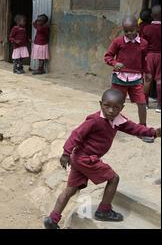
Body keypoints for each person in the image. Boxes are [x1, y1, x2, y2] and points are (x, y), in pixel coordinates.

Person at [43, 89, 160, 229]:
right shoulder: (95, 120)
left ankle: (52, 219)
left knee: (70, 190)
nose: (111, 110)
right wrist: (65, 153)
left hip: (79, 159)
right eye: (107, 106)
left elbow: (134, 128)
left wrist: (153, 132)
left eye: (116, 107)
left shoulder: (118, 120)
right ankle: (103, 211)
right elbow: (76, 134)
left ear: (122, 107)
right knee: (113, 178)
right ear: (100, 104)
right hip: (86, 159)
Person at [104, 16, 154, 143]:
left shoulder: (143, 43)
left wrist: (147, 72)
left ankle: (143, 128)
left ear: (137, 28)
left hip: (136, 78)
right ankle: (107, 127)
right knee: (114, 103)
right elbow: (108, 56)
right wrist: (114, 63)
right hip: (119, 78)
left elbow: (144, 60)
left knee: (142, 103)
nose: (129, 34)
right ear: (123, 30)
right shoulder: (118, 42)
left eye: (132, 30)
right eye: (126, 31)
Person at [142, 5, 161, 113]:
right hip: (160, 56)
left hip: (149, 56)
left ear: (152, 16)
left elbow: (143, 44)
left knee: (147, 79)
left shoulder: (146, 28)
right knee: (160, 80)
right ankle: (159, 106)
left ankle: (145, 103)